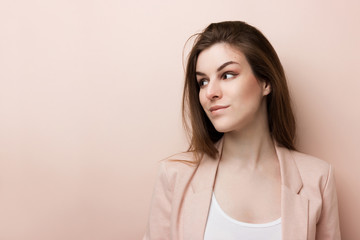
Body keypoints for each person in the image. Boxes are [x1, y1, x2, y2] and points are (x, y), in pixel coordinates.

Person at [142, 21, 341, 240]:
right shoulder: (174, 176)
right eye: (203, 82)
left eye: (227, 75)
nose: (210, 92)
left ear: (266, 82)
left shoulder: (318, 179)